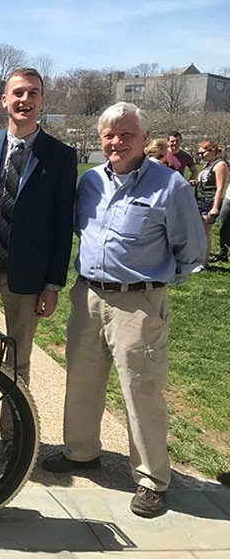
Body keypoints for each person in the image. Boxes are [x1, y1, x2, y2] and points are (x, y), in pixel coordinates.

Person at [42, 102, 206, 518]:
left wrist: (156, 287)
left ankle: (151, 479)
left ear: (142, 137)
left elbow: (192, 249)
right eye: (109, 136)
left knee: (141, 389)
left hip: (140, 301)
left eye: (126, 135)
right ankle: (81, 452)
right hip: (89, 294)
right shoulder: (90, 182)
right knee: (80, 379)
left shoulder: (171, 186)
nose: (116, 142)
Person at [0, 67, 77, 442]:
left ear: (41, 99)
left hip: (27, 276)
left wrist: (52, 284)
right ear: (4, 100)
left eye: (32, 93)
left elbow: (63, 226)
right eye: (18, 93)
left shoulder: (60, 156)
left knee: (19, 358)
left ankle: (14, 433)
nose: (24, 100)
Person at [193, 141, 228, 271]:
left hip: (209, 202)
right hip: (199, 200)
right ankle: (197, 259)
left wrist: (215, 206)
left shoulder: (220, 165)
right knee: (198, 232)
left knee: (204, 233)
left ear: (212, 151)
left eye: (203, 153)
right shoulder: (207, 165)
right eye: (198, 153)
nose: (200, 155)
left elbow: (219, 188)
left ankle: (203, 263)